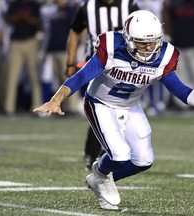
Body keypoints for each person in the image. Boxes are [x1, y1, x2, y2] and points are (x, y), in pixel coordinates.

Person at [33, 10, 194, 210]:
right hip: (100, 103)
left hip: (130, 106)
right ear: (128, 38)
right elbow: (81, 77)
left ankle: (100, 177)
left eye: (152, 41)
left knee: (144, 160)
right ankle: (101, 175)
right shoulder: (112, 46)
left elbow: (180, 90)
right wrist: (56, 99)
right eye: (142, 42)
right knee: (120, 155)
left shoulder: (165, 55)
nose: (148, 47)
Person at [65, 0, 140, 171]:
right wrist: (70, 62)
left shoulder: (129, 5)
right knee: (100, 107)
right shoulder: (88, 6)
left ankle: (97, 154)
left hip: (123, 66)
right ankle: (95, 154)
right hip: (96, 64)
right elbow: (75, 31)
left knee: (116, 110)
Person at [162, 0, 194, 110]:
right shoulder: (174, 4)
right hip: (177, 44)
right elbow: (168, 20)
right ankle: (183, 104)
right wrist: (169, 38)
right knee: (180, 76)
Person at [3, 0, 43, 115]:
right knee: (12, 77)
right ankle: (9, 107)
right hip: (16, 42)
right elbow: (8, 19)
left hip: (31, 41)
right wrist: (19, 17)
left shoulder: (34, 4)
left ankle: (37, 107)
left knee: (34, 76)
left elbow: (38, 22)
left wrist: (26, 18)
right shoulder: (14, 4)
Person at [39, 0, 79, 113]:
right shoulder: (53, 11)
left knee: (68, 79)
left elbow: (76, 30)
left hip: (65, 50)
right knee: (59, 82)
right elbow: (50, 33)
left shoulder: (71, 10)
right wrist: (46, 51)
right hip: (54, 50)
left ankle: (72, 107)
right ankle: (63, 108)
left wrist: (73, 49)